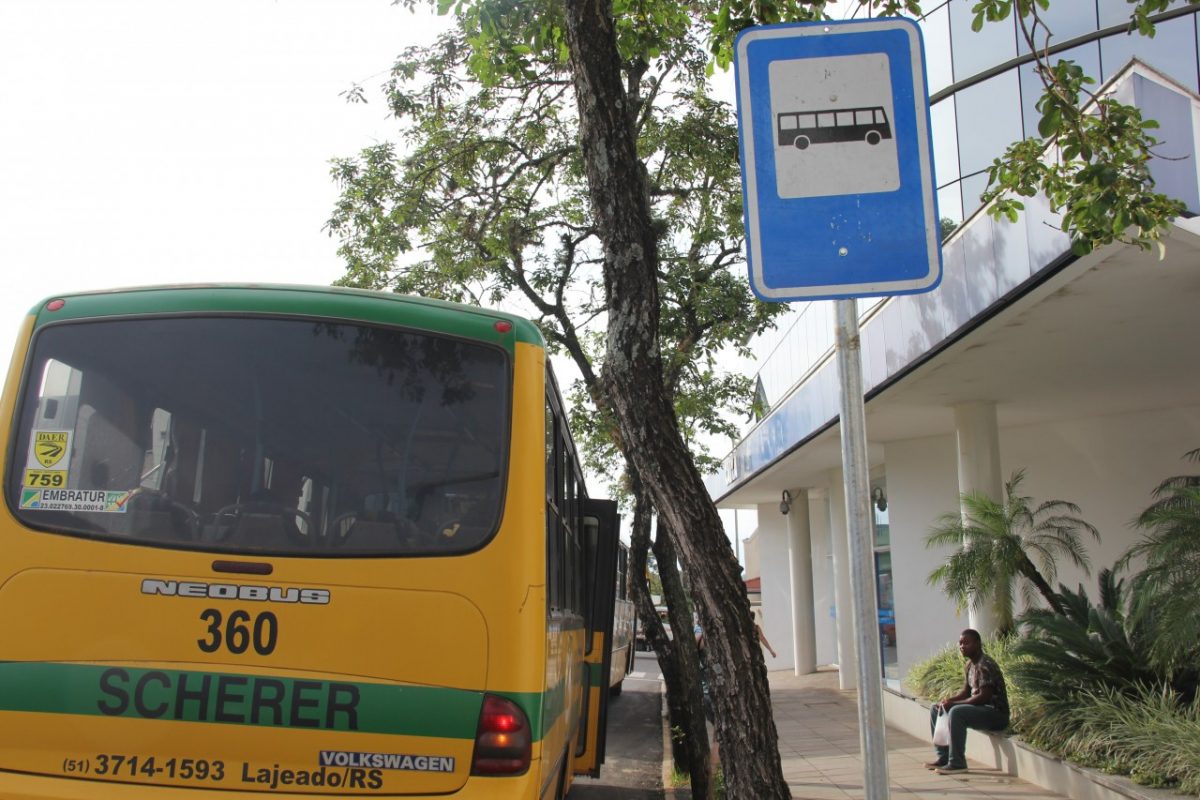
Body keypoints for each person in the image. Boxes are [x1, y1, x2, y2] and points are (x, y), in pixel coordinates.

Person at [926, 628, 1009, 775]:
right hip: (980, 710)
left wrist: (954, 705)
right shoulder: (970, 665)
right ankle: (944, 757)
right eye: (960, 643)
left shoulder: (985, 664)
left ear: (977, 644)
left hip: (995, 713)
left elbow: (984, 697)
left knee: (957, 712)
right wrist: (947, 701)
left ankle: (957, 763)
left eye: (966, 643)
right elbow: (965, 692)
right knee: (936, 708)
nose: (962, 646)